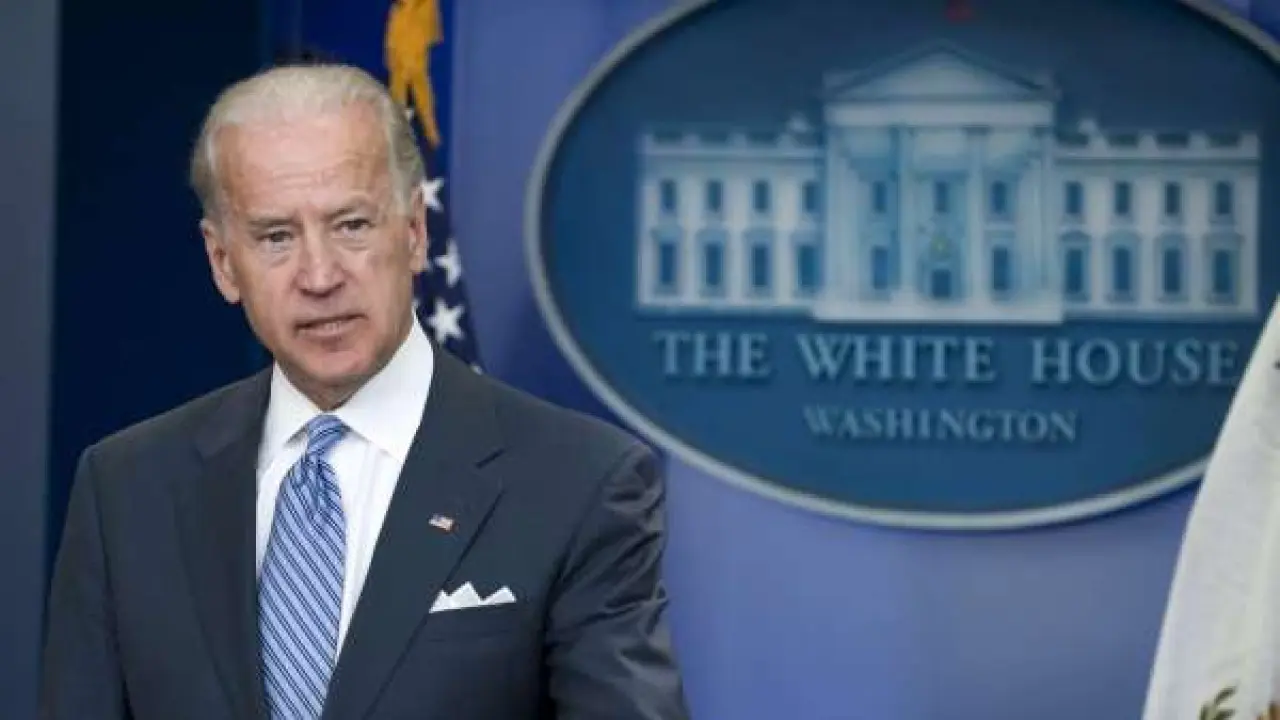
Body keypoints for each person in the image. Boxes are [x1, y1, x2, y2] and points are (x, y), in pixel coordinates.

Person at [39, 63, 690, 720]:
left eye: (351, 224)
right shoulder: (126, 490)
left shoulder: (579, 482)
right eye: (276, 237)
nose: (320, 276)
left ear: (414, 232)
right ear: (223, 262)